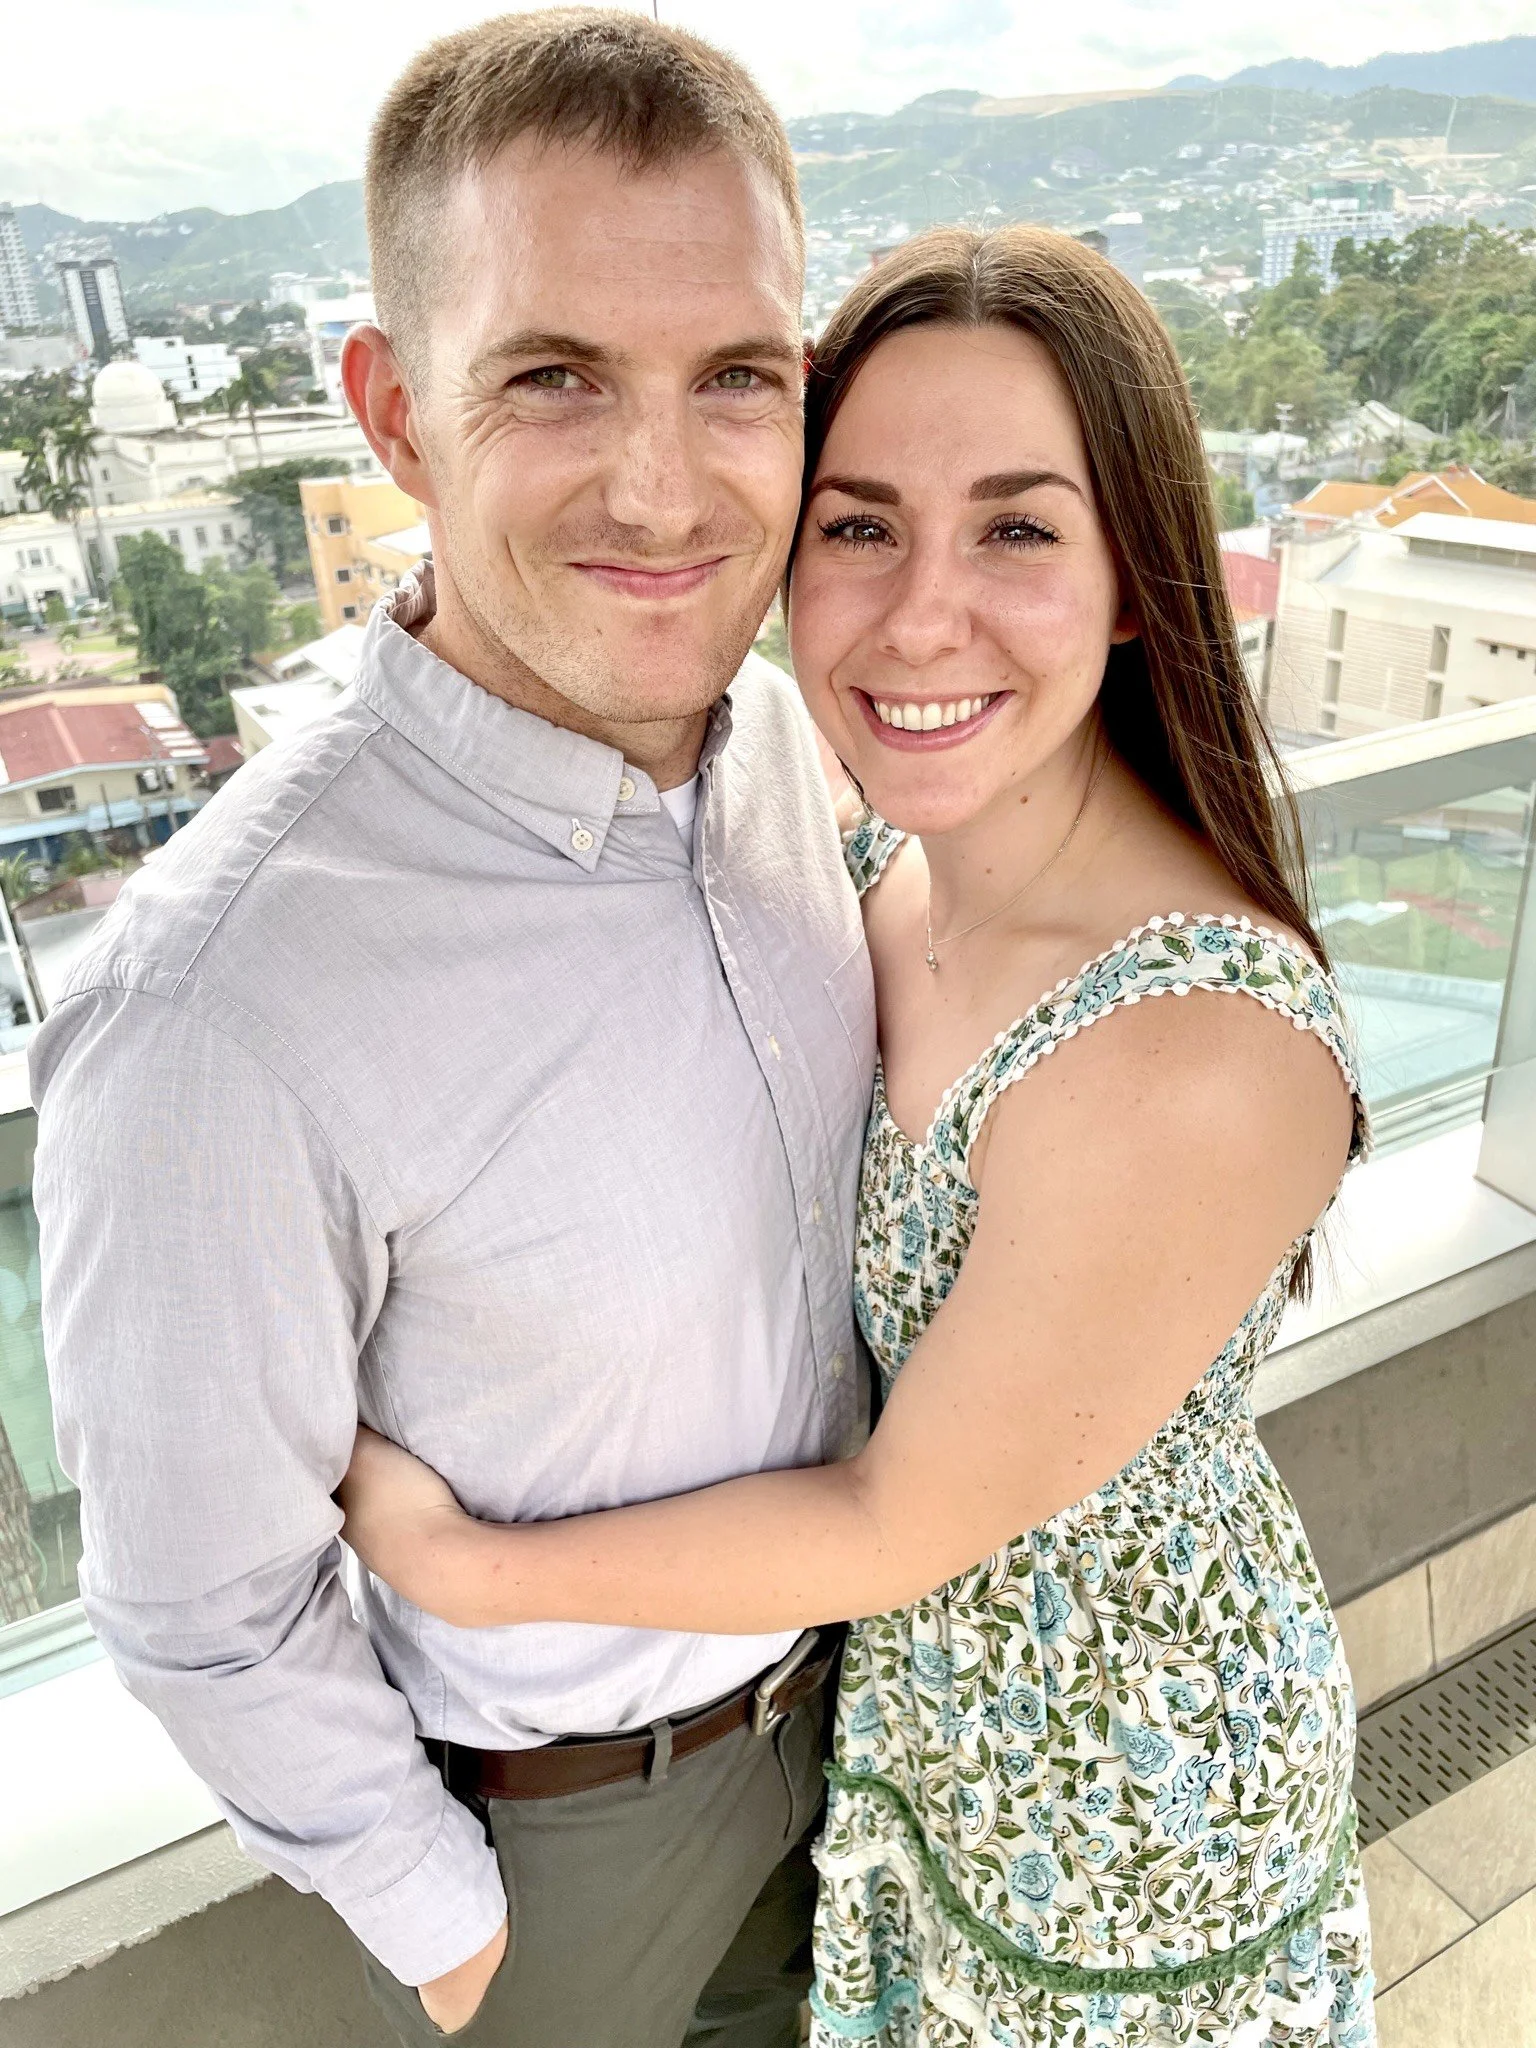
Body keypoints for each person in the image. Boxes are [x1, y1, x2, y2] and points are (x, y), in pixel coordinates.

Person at [338, 225, 1378, 2048]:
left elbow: (898, 1519)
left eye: (1020, 529)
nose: (918, 616)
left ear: (1141, 581)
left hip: (1129, 1814)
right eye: (861, 522)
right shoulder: (891, 880)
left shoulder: (1192, 1046)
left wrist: (459, 1562)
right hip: (929, 1743)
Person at [31, 14, 874, 2048]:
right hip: (561, 1847)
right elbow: (196, 1595)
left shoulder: (780, 734)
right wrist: (457, 1925)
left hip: (864, 1723)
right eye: (555, 376)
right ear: (396, 412)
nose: (666, 487)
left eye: (737, 376)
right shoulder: (226, 997)